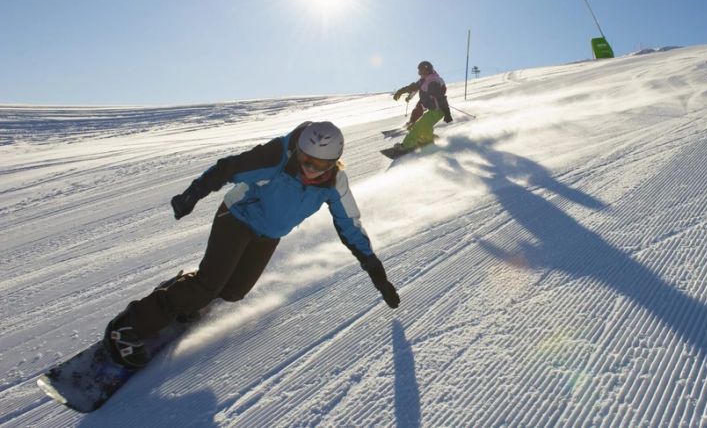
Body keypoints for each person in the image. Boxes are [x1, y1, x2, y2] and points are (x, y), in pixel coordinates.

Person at [104, 121, 400, 369]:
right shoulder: (278, 157)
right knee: (208, 286)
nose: (309, 168)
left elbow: (350, 226)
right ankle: (127, 327)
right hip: (237, 216)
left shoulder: (335, 183)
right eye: (305, 159)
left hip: (268, 234)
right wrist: (191, 195)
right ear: (298, 151)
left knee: (234, 292)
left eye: (320, 164)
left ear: (334, 161)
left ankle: (186, 288)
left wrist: (377, 273)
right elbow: (228, 168)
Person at [391, 60, 452, 152]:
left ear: (428, 71)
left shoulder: (432, 82)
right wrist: (400, 91)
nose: (420, 74)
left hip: (437, 111)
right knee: (422, 125)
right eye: (419, 72)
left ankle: (405, 146)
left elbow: (441, 98)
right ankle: (429, 139)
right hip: (433, 110)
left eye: (422, 71)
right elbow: (412, 87)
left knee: (418, 127)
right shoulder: (424, 80)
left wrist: (447, 113)